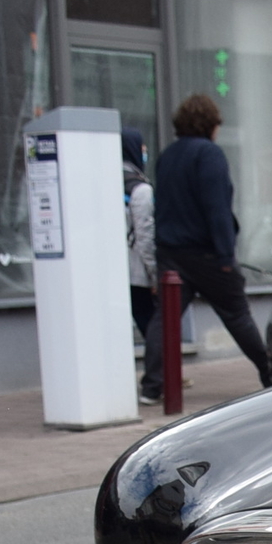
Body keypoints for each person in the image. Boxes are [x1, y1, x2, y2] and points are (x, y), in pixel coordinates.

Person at [155, 93, 272, 386]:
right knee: (237, 314)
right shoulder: (208, 154)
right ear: (210, 124)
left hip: (171, 252)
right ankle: (269, 372)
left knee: (165, 319)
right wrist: (226, 255)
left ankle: (153, 383)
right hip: (206, 255)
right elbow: (217, 208)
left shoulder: (168, 155)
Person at [121, 129, 161, 403]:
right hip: (136, 271)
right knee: (153, 326)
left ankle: (157, 376)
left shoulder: (102, 181)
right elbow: (145, 235)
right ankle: (156, 380)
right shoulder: (140, 189)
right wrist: (154, 272)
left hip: (112, 273)